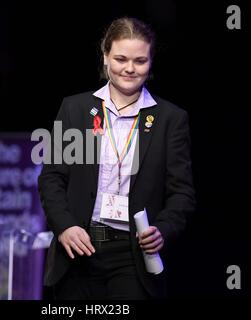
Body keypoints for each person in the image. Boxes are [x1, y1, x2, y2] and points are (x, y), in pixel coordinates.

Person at [38, 17, 195, 299]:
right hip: (78, 246)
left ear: (151, 61)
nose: (130, 68)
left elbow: (182, 193)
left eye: (140, 60)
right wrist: (65, 226)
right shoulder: (75, 108)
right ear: (105, 56)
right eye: (121, 58)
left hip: (132, 256)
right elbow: (52, 177)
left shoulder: (170, 119)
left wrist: (163, 229)